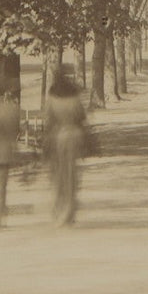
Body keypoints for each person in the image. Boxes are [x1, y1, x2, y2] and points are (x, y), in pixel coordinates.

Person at [43, 67, 91, 226]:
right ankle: (70, 211)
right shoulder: (75, 97)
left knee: (57, 175)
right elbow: (82, 118)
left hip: (58, 137)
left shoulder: (52, 97)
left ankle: (59, 208)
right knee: (72, 174)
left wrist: (46, 141)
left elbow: (49, 121)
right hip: (74, 135)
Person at [0, 86, 22, 228]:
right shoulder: (11, 111)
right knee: (2, 185)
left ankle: (0, 214)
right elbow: (15, 131)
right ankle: (2, 214)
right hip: (6, 152)